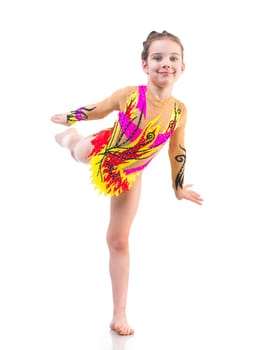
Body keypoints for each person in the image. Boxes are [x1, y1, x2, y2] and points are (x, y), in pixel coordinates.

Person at [50, 30, 203, 336]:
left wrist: (178, 187)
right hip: (105, 149)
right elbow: (99, 109)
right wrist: (71, 117)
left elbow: (177, 149)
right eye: (157, 57)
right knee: (80, 152)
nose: (166, 63)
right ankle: (69, 141)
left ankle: (119, 314)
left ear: (182, 67)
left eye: (173, 58)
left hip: (130, 174)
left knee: (118, 240)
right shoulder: (130, 95)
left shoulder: (179, 112)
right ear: (145, 65)